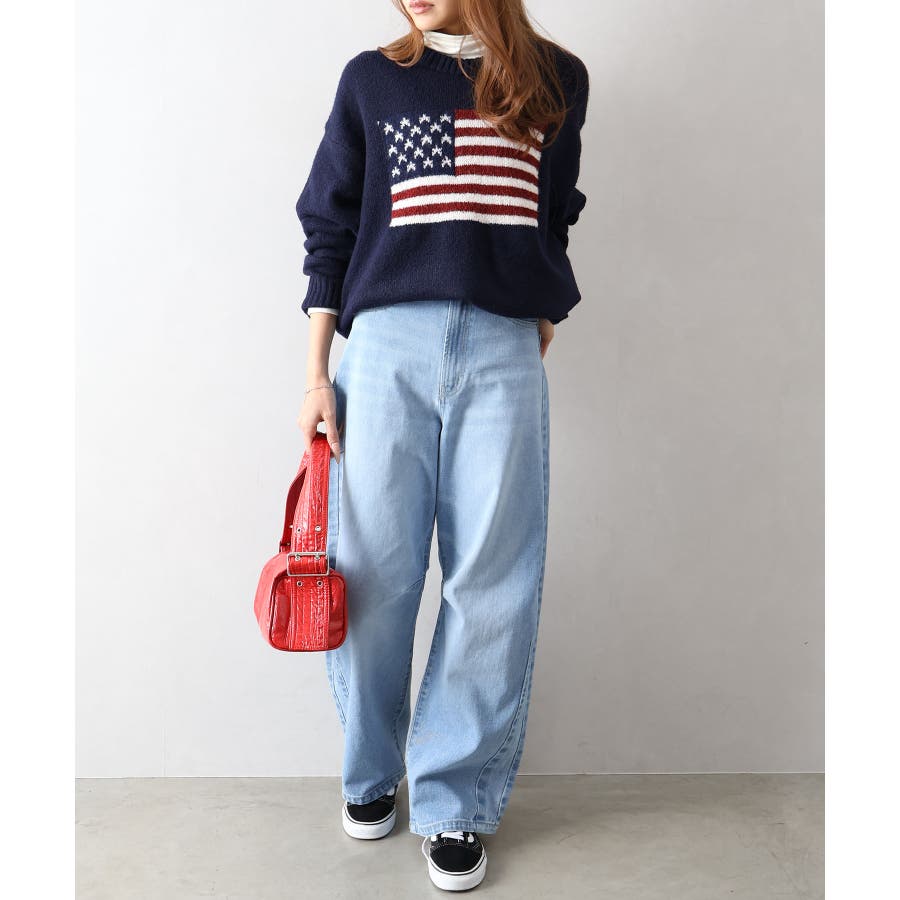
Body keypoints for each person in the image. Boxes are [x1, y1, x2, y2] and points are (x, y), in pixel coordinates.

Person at [294, 0, 589, 890]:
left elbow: (554, 208)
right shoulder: (373, 79)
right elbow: (331, 224)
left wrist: (540, 311)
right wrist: (316, 374)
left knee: (492, 580)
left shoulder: (557, 79)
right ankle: (370, 770)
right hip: (385, 347)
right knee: (372, 572)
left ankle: (455, 798)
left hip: (503, 347)